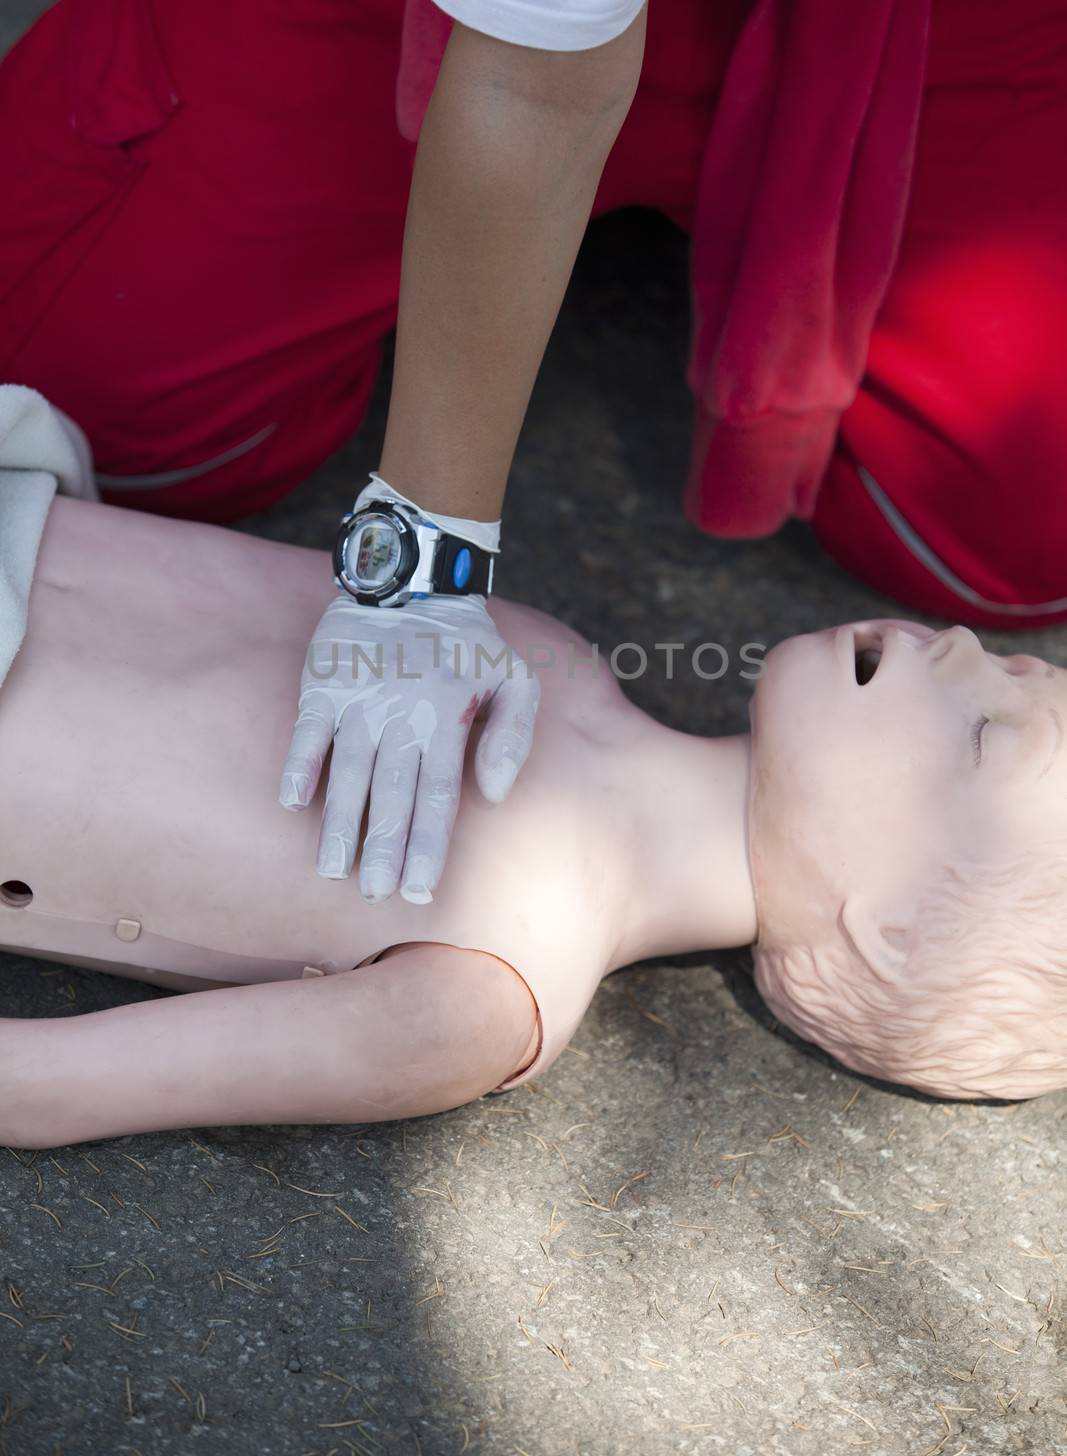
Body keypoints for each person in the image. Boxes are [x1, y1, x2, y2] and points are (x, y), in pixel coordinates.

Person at [3, 0, 1067, 914]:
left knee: (1008, 542)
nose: (983, 661)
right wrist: (416, 563)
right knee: (89, 409)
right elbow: (533, 86)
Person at [1, 481, 1065, 1151]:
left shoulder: (494, 992)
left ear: (894, 923)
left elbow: (42, 1089)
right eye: (1010, 663)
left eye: (984, 734)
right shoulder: (554, 654)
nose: (964, 645)